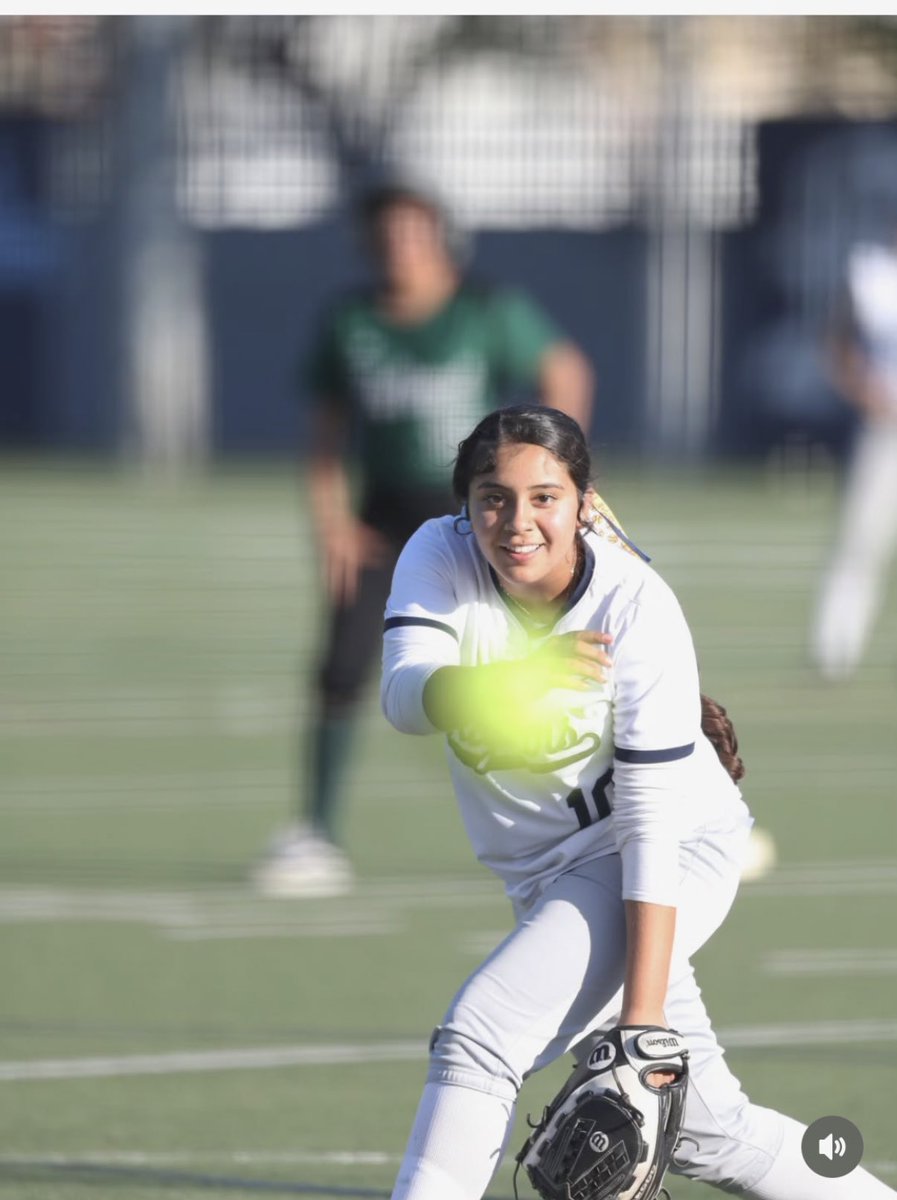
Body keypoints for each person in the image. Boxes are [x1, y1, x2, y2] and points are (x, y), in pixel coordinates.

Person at [380, 405, 895, 1199]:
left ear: (584, 503)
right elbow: (405, 698)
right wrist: (510, 681)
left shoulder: (632, 605)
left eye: (544, 497)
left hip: (668, 850)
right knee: (711, 1133)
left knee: (483, 1035)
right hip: (549, 874)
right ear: (464, 505)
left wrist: (642, 1023)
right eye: (493, 498)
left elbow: (649, 825)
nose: (516, 521)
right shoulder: (439, 553)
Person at [252, 183, 594, 897]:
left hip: (482, 514)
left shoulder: (484, 309)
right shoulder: (351, 320)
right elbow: (325, 433)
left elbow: (565, 368)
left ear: (440, 238)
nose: (400, 248)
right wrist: (331, 521)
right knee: (341, 666)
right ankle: (317, 831)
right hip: (382, 519)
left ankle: (640, 797)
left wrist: (551, 473)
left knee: (561, 651)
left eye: (414, 233)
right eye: (387, 236)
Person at [810, 235, 897, 681]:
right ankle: (835, 651)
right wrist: (861, 389)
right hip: (887, 427)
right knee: (860, 542)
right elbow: (837, 340)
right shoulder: (873, 273)